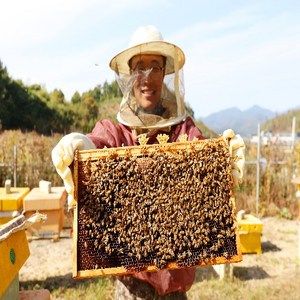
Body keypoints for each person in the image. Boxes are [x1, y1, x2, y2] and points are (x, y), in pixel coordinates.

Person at [52, 25, 245, 299]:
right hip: (130, 288)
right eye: (140, 67)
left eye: (155, 67)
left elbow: (199, 150)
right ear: (130, 76)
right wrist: (80, 146)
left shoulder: (183, 131)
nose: (147, 77)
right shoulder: (116, 131)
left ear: (165, 73)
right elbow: (99, 141)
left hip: (175, 289)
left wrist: (224, 164)